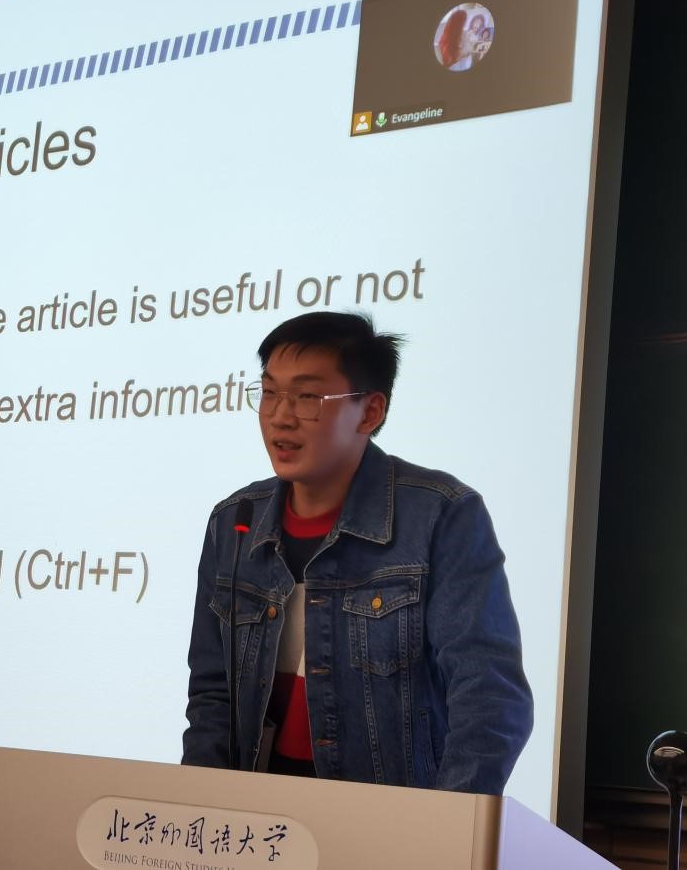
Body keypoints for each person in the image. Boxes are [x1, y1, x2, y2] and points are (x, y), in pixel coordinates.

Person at [182, 312, 532, 794]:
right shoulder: (234, 522)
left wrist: (445, 825)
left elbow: (489, 698)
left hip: (387, 819)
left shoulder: (440, 516)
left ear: (370, 412)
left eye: (307, 397)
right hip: (257, 817)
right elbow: (212, 693)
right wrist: (200, 806)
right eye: (269, 392)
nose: (281, 415)